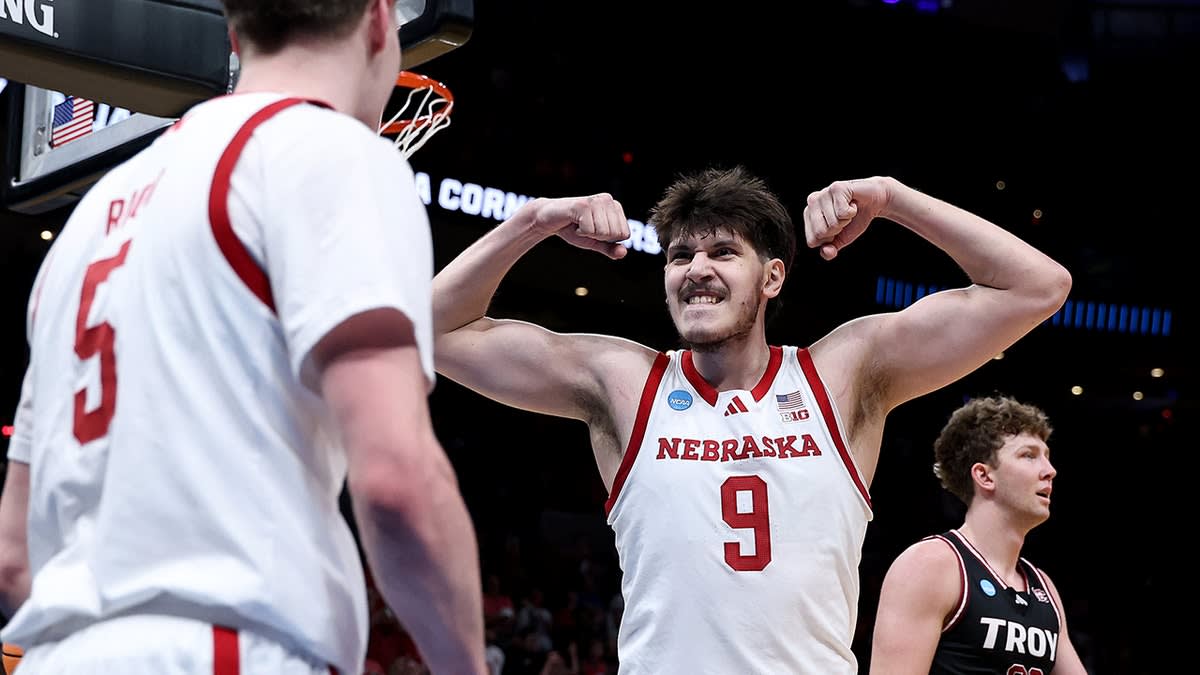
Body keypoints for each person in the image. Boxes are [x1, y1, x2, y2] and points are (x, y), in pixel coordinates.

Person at [0, 1, 485, 673]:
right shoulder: (331, 152)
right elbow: (398, 479)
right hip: (224, 644)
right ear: (381, 21)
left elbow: (15, 557)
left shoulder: (86, 225)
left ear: (233, 33)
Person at [431, 166, 1072, 673]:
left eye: (722, 253)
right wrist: (533, 222)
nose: (697, 270)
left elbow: (1038, 286)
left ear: (771, 278)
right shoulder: (623, 382)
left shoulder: (842, 375)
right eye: (680, 256)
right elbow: (429, 329)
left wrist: (892, 196)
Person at [870, 396, 1087, 674]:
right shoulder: (930, 565)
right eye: (1029, 455)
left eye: (1047, 456)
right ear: (984, 476)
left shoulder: (1043, 587)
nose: (1050, 471)